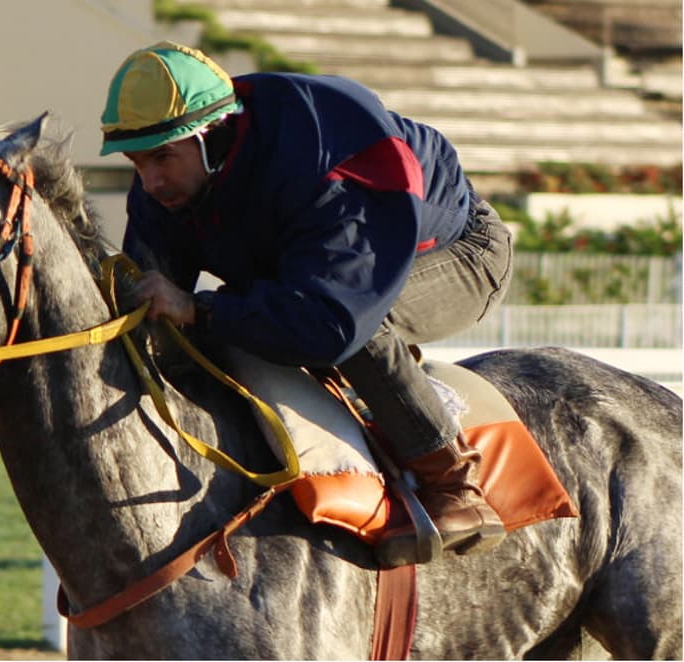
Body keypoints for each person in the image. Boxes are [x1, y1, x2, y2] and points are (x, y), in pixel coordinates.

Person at [100, 41, 513, 567]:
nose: (151, 182)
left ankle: (452, 485)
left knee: (360, 331)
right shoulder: (167, 186)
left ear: (212, 136)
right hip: (312, 265)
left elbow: (332, 321)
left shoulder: (332, 156)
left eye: (162, 158)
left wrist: (202, 310)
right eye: (137, 162)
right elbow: (146, 320)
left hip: (459, 252)